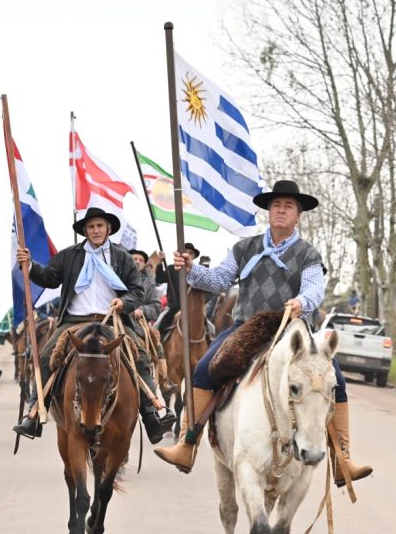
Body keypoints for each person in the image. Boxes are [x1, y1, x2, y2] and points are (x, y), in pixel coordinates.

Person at [154, 180, 373, 486]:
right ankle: (186, 443)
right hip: (247, 327)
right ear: (268, 212)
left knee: (334, 377)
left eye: (288, 207)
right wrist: (190, 269)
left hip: (292, 332)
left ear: (298, 215)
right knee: (203, 369)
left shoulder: (307, 253)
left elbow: (313, 287)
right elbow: (218, 280)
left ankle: (342, 459)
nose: (281, 211)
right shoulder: (244, 248)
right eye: (276, 206)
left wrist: (302, 301)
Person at [11, 207, 175, 444]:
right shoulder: (69, 255)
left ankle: (151, 416)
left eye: (100, 226)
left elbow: (137, 291)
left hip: (113, 320)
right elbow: (49, 277)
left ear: (108, 229)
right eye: (91, 227)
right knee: (47, 355)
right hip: (74, 321)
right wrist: (30, 265)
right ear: (85, 231)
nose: (96, 230)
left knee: (138, 355)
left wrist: (124, 302)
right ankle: (35, 412)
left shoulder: (123, 257)